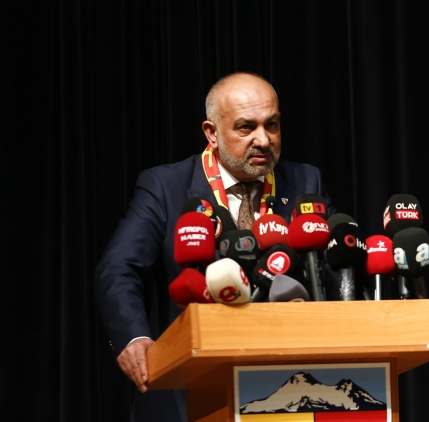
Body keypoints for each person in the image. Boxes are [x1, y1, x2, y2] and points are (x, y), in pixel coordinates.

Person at [94, 72, 334, 421]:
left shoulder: (305, 182)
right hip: (191, 390)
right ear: (212, 132)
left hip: (288, 385)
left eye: (272, 125)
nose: (263, 140)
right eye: (246, 127)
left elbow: (333, 266)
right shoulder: (166, 186)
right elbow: (117, 268)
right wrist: (134, 339)